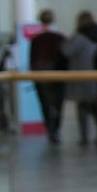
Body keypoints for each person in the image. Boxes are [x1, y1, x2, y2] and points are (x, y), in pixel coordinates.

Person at [63, 11, 97, 148]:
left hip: (82, 75)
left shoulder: (79, 37)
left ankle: (84, 136)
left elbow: (67, 51)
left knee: (82, 107)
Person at [28, 9, 69, 144]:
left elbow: (32, 60)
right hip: (58, 76)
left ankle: (50, 129)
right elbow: (65, 59)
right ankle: (55, 129)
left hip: (41, 76)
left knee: (45, 104)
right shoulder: (60, 38)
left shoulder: (36, 40)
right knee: (58, 104)